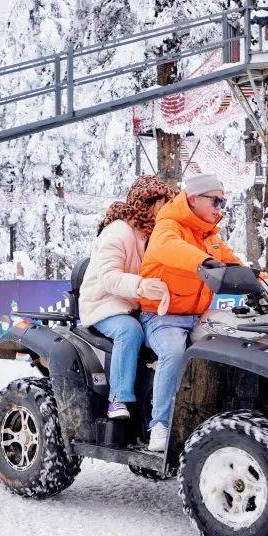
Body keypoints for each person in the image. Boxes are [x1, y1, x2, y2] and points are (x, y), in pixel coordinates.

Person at [138, 172, 242, 452]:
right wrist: (204, 262)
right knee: (173, 351)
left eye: (223, 202)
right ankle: (159, 426)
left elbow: (232, 263)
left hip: (198, 317)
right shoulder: (168, 225)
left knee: (238, 343)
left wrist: (263, 279)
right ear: (194, 199)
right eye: (215, 201)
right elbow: (168, 248)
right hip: (162, 317)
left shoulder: (211, 236)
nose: (220, 208)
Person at [79, 175, 174, 420]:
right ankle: (118, 398)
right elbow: (108, 277)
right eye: (164, 204)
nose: (168, 209)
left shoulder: (152, 235)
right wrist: (142, 286)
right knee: (129, 331)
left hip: (135, 305)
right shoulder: (118, 232)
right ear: (148, 202)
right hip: (104, 305)